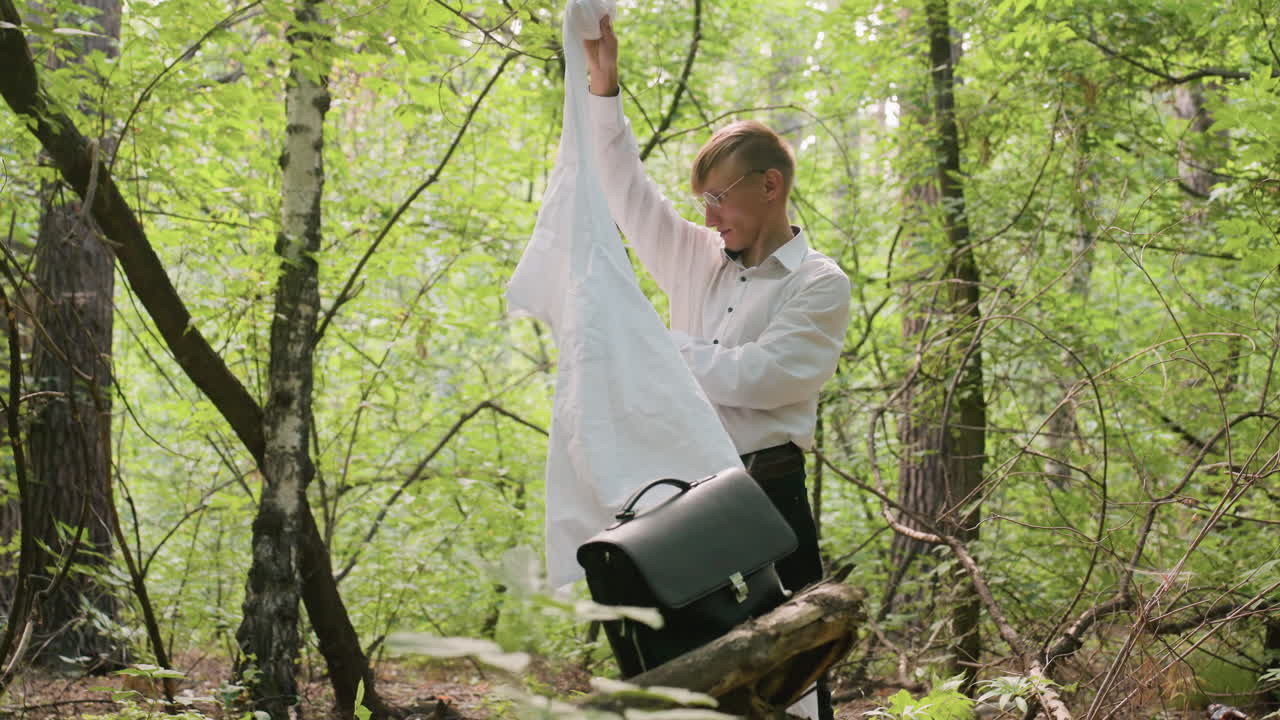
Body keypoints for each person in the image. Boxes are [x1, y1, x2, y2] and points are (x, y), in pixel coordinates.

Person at [583, 14, 851, 720]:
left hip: (769, 492)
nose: (708, 215)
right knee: (693, 674)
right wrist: (605, 88)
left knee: (792, 674)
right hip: (687, 497)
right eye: (702, 199)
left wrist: (666, 352)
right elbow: (626, 193)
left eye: (720, 196)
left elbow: (768, 379)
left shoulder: (820, 284)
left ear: (769, 187)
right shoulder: (697, 257)